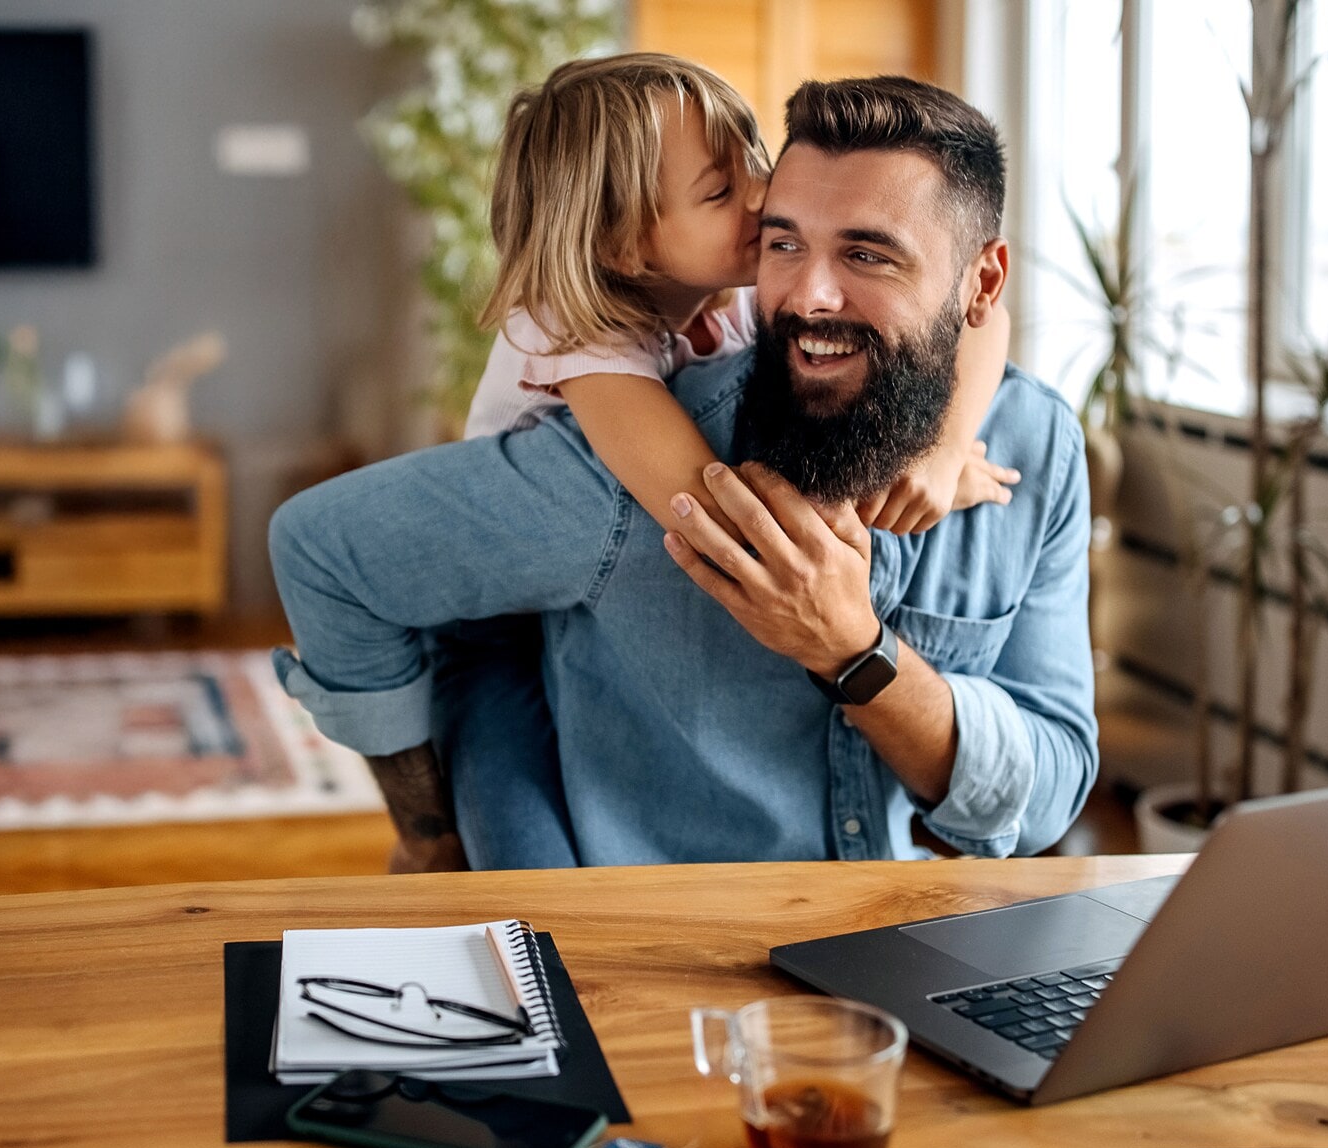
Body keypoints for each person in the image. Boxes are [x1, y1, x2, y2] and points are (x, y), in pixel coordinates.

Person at [271, 74, 1097, 869]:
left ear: (979, 280)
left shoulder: (1033, 443)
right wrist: (425, 832)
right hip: (620, 887)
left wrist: (942, 452)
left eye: (869, 255)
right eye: (784, 239)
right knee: (514, 846)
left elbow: (1048, 796)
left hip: (886, 946)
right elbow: (323, 550)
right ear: (628, 243)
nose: (809, 296)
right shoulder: (609, 406)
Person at [438, 54, 1019, 870]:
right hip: (492, 640)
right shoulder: (574, 331)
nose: (761, 193)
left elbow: (981, 310)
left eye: (752, 155)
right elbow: (717, 512)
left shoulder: (735, 288)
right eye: (719, 190)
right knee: (525, 883)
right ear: (622, 243)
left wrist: (941, 445)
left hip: (585, 627)